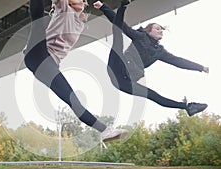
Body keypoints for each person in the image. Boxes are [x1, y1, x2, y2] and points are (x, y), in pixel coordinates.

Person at [23, 0, 128, 143]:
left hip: (49, 64)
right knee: (38, 21)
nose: (82, 0)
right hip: (38, 54)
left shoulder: (80, 24)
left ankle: (105, 131)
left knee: (73, 100)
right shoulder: (63, 8)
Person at [93, 0, 209, 116]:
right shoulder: (140, 36)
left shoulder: (159, 52)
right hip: (117, 65)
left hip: (124, 81)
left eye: (161, 30)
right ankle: (123, 5)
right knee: (118, 34)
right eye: (157, 28)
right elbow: (120, 24)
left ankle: (188, 107)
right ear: (149, 31)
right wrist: (103, 7)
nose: (161, 31)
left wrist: (200, 67)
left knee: (153, 95)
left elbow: (178, 61)